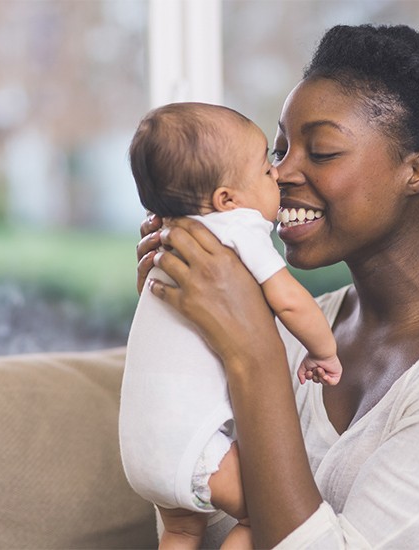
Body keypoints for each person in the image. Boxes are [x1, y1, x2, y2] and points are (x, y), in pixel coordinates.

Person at [135, 23, 419, 549]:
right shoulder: (303, 326)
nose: (281, 173)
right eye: (277, 151)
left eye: (320, 152)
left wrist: (253, 355)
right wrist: (181, 337)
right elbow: (200, 508)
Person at [119, 102, 343, 549]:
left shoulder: (174, 241)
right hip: (198, 449)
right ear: (227, 199)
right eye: (266, 167)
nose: (277, 175)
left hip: (138, 452)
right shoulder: (237, 231)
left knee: (182, 531)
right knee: (267, 514)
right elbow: (292, 303)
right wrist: (324, 351)